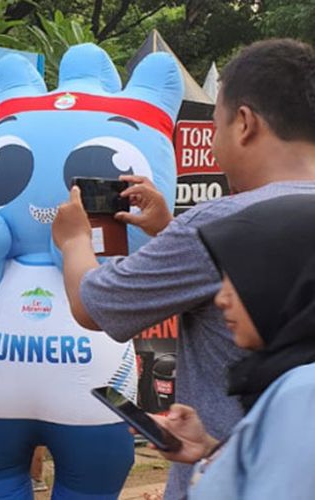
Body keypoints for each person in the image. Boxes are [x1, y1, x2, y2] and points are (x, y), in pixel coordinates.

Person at [52, 38, 315, 498]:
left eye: (215, 126)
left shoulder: (219, 221)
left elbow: (94, 305)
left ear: (245, 123)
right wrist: (168, 229)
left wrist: (74, 239)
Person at [148, 194, 315, 498]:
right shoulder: (294, 378)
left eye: (236, 279)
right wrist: (213, 451)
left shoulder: (303, 393)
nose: (221, 299)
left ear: (284, 281)